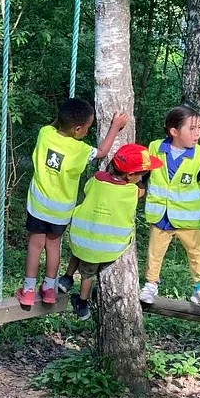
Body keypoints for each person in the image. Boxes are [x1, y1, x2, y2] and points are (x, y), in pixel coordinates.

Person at [15, 98, 128, 308]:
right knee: (53, 246)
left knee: (34, 245)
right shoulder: (81, 150)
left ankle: (28, 290)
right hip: (60, 212)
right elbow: (102, 152)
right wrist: (115, 126)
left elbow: (54, 125)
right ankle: (49, 288)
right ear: (77, 129)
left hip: (38, 207)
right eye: (87, 128)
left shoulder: (44, 133)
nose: (87, 131)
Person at [57, 144, 163, 320]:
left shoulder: (98, 178)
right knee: (87, 274)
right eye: (142, 173)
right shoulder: (131, 190)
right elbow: (141, 190)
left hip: (81, 235)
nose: (142, 177)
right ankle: (82, 304)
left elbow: (87, 188)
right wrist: (143, 180)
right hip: (105, 246)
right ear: (130, 175)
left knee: (78, 253)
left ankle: (66, 279)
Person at [138, 105, 200, 308]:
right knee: (155, 252)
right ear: (174, 131)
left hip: (189, 219)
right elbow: (144, 171)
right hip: (161, 215)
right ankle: (151, 284)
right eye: (191, 129)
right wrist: (138, 185)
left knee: (197, 252)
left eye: (199, 128)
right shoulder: (156, 148)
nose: (197, 134)